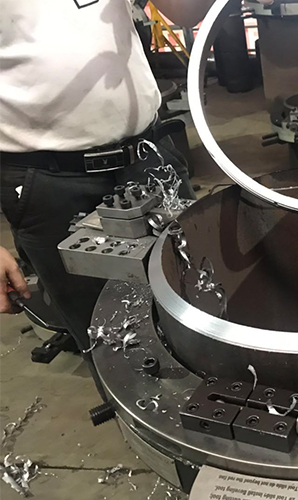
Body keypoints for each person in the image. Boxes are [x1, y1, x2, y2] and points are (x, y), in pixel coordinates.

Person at [0, 0, 214, 359]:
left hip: (147, 154)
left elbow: (186, 12)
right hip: (48, 180)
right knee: (108, 343)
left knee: (203, 299)